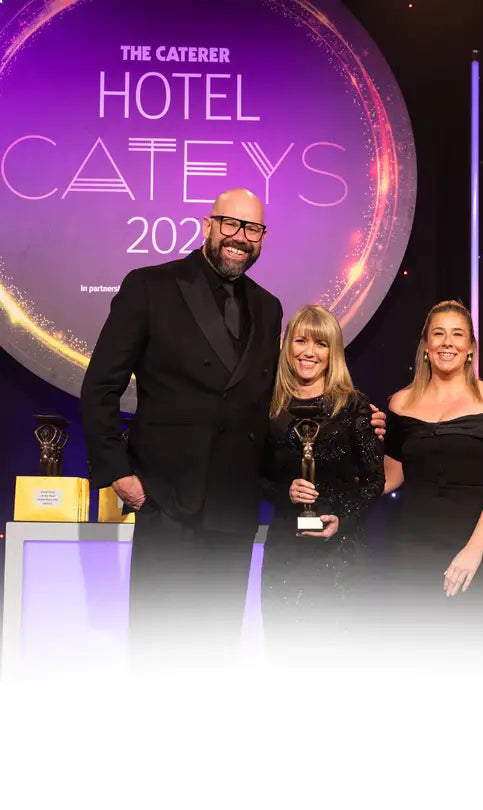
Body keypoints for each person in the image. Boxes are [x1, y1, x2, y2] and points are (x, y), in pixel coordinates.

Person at [80, 189, 385, 658]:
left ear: (262, 238)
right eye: (231, 224)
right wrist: (119, 473)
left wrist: (351, 416)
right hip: (168, 501)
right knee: (158, 649)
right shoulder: (149, 286)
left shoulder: (268, 307)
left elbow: (276, 398)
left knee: (218, 653)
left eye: (253, 229)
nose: (241, 238)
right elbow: (100, 387)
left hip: (234, 510)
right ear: (208, 225)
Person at [382, 300, 483, 623]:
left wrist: (474, 549)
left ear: (470, 346)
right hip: (410, 549)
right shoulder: (400, 402)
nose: (448, 342)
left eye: (458, 334)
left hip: (474, 548)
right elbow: (390, 477)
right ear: (426, 345)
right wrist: (334, 491)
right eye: (439, 333)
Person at [260, 305, 384, 646]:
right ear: (287, 345)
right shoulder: (268, 406)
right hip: (286, 552)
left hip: (341, 552)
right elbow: (251, 476)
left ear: (333, 352)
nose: (309, 352)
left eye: (321, 343)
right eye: (301, 341)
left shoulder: (354, 406)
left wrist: (342, 519)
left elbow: (375, 481)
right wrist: (284, 491)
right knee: (285, 652)